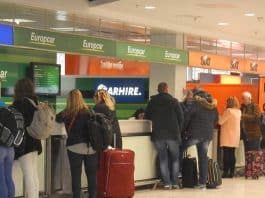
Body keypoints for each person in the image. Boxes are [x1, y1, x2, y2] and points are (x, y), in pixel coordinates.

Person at [56, 89, 97, 198]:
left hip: (74, 148)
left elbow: (56, 119)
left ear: (69, 99)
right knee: (92, 176)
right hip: (90, 148)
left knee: (76, 176)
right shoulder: (89, 111)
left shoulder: (67, 112)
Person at [145, 82, 184, 190]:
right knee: (175, 159)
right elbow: (181, 118)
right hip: (173, 134)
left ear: (158, 90)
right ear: (167, 89)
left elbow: (147, 116)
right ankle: (175, 182)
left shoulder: (152, 102)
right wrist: (178, 130)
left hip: (158, 135)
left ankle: (167, 183)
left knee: (163, 159)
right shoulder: (174, 101)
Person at [12, 78, 42, 198]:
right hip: (35, 143)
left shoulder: (20, 104)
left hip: (25, 145)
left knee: (28, 175)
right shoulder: (34, 102)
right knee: (33, 174)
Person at [183, 89, 218, 189]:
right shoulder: (213, 106)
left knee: (179, 149)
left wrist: (184, 129)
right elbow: (216, 120)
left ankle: (175, 179)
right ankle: (202, 182)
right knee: (203, 157)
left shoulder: (196, 104)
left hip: (195, 134)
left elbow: (187, 118)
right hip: (207, 135)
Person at [219, 96, 241, 178]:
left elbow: (220, 122)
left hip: (227, 135)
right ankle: (232, 172)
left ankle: (225, 172)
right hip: (235, 136)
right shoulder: (239, 111)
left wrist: (222, 112)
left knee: (226, 155)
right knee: (232, 154)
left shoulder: (228, 111)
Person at [0, 100, 15, 198]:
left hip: (0, 148)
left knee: (1, 179)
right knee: (8, 177)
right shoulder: (7, 108)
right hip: (10, 148)